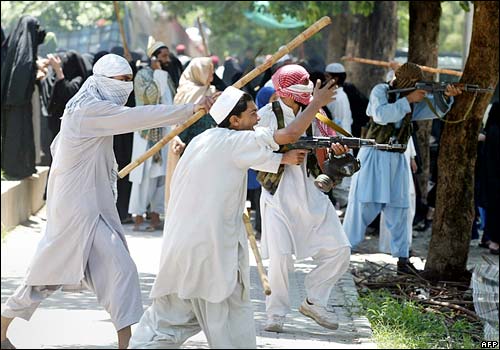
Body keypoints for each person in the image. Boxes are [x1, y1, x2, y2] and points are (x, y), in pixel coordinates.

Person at [0, 53, 214, 350]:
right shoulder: (88, 110)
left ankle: (127, 343)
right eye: (121, 81)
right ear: (101, 81)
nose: (126, 87)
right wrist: (191, 109)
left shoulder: (88, 107)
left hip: (92, 206)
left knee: (118, 272)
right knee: (47, 276)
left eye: (129, 80)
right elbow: (138, 117)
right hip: (76, 210)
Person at [129, 79, 340, 349]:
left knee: (167, 324)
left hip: (181, 251)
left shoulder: (202, 141)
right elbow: (287, 136)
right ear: (234, 120)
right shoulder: (237, 141)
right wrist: (316, 104)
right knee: (230, 325)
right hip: (211, 254)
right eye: (253, 113)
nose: (258, 117)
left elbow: (256, 158)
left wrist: (282, 160)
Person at [256, 64, 351, 333]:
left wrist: (336, 152)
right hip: (278, 196)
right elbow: (253, 153)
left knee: (340, 251)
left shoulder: (318, 116)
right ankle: (275, 313)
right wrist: (281, 157)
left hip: (313, 194)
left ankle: (315, 300)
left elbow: (330, 150)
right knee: (280, 258)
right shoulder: (267, 116)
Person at [342, 62, 463, 275]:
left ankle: (402, 258)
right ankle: (341, 252)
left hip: (398, 158)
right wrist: (408, 99)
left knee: (401, 208)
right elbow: (381, 114)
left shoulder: (412, 99)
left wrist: (446, 95)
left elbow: (432, 111)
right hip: (374, 156)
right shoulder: (382, 91)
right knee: (362, 206)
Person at [127, 40, 178, 231]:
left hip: (165, 133)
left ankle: (156, 214)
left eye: (167, 55)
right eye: (163, 55)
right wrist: (157, 73)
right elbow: (150, 97)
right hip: (146, 133)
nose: (167, 59)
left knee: (161, 175)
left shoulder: (168, 76)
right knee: (143, 175)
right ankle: (139, 215)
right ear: (154, 57)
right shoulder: (142, 75)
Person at [1, 15, 46, 180]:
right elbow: (23, 70)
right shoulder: (23, 49)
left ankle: (23, 167)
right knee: (16, 136)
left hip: (17, 101)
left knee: (21, 135)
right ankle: (15, 169)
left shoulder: (20, 45)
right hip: (17, 101)